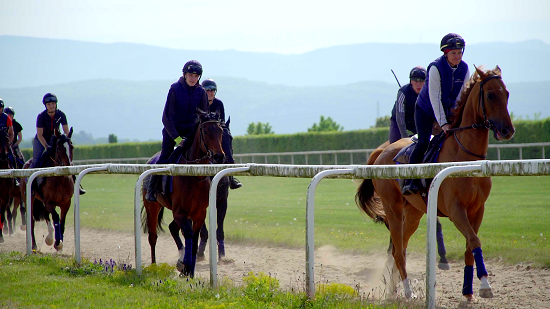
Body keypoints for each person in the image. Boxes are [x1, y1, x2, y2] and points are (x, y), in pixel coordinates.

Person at [402, 33, 470, 195]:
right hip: (426, 109)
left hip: (447, 110)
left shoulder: (465, 68)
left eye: (459, 52)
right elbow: (435, 98)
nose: (457, 56)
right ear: (445, 53)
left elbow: (462, 97)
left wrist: (455, 118)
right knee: (424, 142)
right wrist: (444, 123)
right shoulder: (435, 68)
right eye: (453, 53)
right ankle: (410, 181)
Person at [146, 60, 209, 202]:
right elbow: (166, 117)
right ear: (185, 75)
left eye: (196, 76)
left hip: (192, 133)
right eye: (190, 75)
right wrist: (177, 138)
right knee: (164, 157)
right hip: (172, 132)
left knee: (208, 156)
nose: (193, 79)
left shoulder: (201, 92)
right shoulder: (174, 88)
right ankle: (151, 189)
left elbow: (204, 117)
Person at [30, 93, 85, 194]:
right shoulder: (41, 116)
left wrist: (66, 141)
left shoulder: (61, 115)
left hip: (55, 139)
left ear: (56, 104)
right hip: (41, 139)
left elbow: (66, 132)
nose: (51, 106)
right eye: (49, 104)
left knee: (67, 160)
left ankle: (76, 184)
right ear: (45, 105)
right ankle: (29, 186)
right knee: (36, 161)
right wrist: (47, 147)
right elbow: (40, 135)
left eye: (53, 103)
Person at [202, 78, 242, 189]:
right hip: (202, 131)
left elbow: (222, 121)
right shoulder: (199, 103)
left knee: (225, 134)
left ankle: (230, 175)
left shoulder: (219, 103)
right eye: (207, 90)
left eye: (212, 90)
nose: (210, 93)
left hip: (216, 130)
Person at [389, 66, 427, 143]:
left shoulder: (429, 93)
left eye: (421, 81)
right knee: (394, 145)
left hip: (418, 120)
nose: (418, 84)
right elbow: (400, 116)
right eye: (415, 81)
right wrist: (404, 137)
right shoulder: (403, 92)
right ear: (411, 81)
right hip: (399, 121)